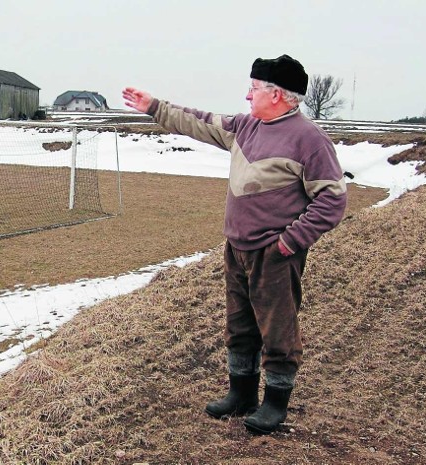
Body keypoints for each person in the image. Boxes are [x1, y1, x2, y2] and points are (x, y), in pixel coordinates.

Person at [122, 54, 347, 435]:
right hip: (237, 249)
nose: (247, 96)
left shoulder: (309, 140)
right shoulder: (246, 127)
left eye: (254, 89)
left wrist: (289, 242)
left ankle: (274, 404)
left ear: (276, 95)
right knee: (240, 327)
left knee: (278, 331)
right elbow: (198, 121)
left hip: (276, 254)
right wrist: (153, 106)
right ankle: (240, 395)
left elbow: (332, 199)